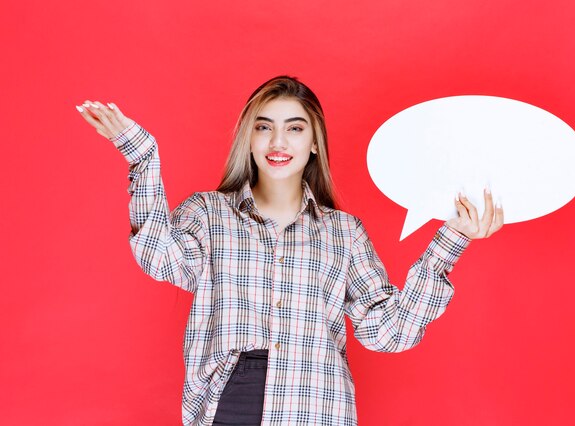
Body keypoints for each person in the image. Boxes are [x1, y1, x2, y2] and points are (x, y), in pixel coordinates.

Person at [76, 76, 503, 426]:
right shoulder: (208, 214)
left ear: (315, 143)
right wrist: (142, 154)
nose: (278, 141)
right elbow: (157, 253)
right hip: (229, 404)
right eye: (264, 127)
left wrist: (451, 241)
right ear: (249, 137)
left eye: (295, 128)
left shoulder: (344, 233)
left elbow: (388, 332)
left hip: (316, 405)